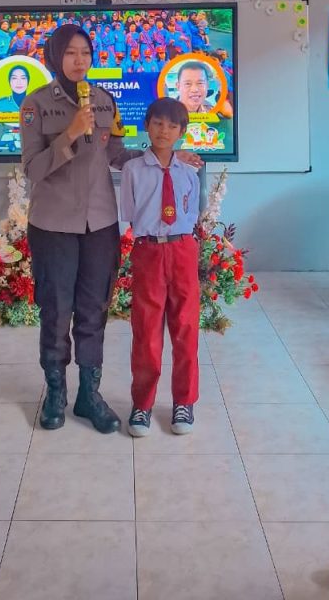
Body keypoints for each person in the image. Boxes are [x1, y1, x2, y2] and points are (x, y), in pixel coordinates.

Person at [19, 24, 144, 435]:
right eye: (71, 53)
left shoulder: (106, 101)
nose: (79, 61)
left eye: (85, 53)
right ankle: (55, 392)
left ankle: (89, 394)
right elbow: (33, 169)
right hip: (53, 224)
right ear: (55, 57)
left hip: (100, 224)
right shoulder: (36, 104)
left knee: (94, 309)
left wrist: (165, 155)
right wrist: (70, 134)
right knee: (56, 309)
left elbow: (118, 154)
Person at [120, 98, 200, 436]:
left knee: (185, 328)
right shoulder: (133, 170)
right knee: (147, 331)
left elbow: (191, 214)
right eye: (157, 123)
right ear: (147, 126)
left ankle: (184, 401)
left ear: (181, 131)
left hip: (182, 249)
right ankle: (142, 404)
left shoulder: (189, 173)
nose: (163, 131)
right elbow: (129, 213)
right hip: (149, 250)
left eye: (171, 126)